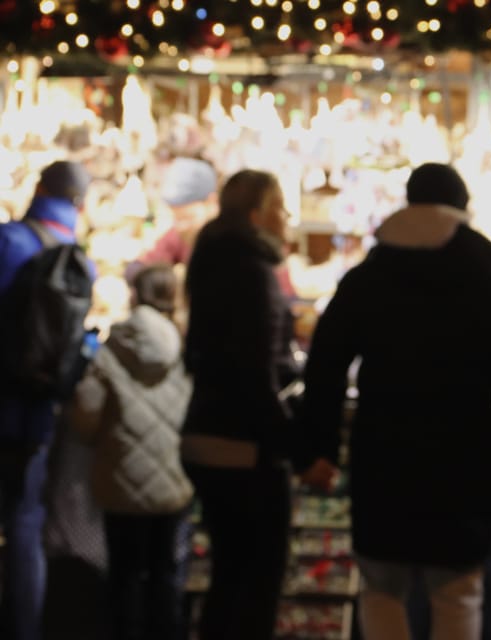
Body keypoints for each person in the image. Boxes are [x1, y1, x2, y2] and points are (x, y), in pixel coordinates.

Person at [298, 162, 491, 640]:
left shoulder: (367, 278)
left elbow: (323, 367)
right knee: (458, 594)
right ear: (462, 209)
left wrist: (317, 448)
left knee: (381, 591)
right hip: (465, 462)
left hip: (383, 458)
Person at [179, 169, 299, 640]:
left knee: (229, 577)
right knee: (257, 580)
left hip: (206, 434)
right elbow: (256, 374)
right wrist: (290, 443)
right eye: (281, 208)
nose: (288, 218)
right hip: (244, 445)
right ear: (258, 216)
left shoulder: (211, 261)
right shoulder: (254, 272)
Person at [69, 263, 194, 640]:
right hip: (173, 482)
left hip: (119, 484)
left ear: (135, 296)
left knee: (123, 576)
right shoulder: (184, 349)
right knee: (165, 574)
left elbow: (85, 416)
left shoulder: (111, 348)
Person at [0, 160, 92, 640]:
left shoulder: (9, 241)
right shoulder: (78, 259)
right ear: (79, 202)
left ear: (39, 188)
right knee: (25, 527)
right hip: (37, 415)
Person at [128, 157, 218, 276]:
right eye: (176, 218)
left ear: (211, 202)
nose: (180, 226)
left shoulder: (234, 240)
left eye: (187, 218)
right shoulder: (180, 236)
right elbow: (138, 268)